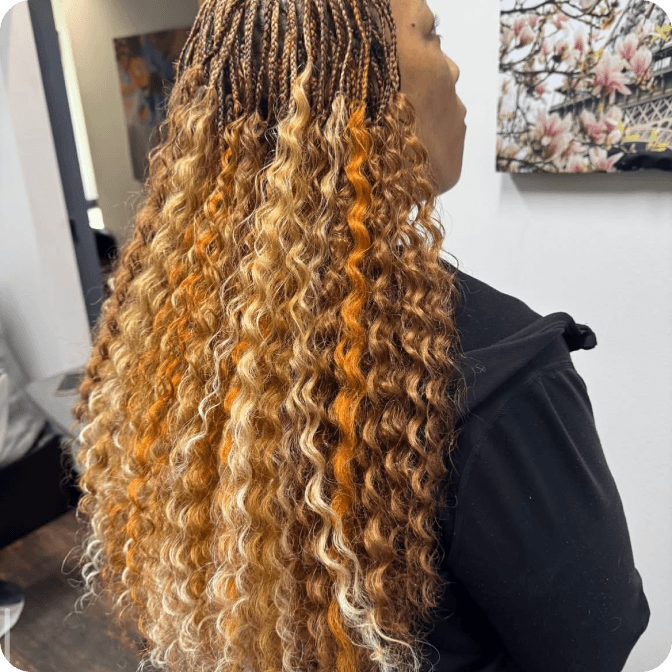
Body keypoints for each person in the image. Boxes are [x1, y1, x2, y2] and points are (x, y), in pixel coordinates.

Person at [65, 1, 650, 672]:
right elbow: (595, 641)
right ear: (358, 96)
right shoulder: (498, 371)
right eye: (431, 34)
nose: (455, 68)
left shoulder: (180, 323)